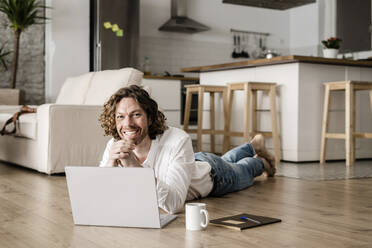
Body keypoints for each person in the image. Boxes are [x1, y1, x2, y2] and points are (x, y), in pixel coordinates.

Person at [99, 85, 276, 214]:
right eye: (120, 117)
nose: (127, 124)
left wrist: (135, 168)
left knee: (243, 169)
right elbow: (102, 195)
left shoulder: (177, 140)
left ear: (150, 118)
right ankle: (253, 145)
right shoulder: (114, 145)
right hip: (193, 162)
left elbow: (174, 204)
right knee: (228, 160)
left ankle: (260, 160)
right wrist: (109, 164)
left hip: (215, 175)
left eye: (136, 115)